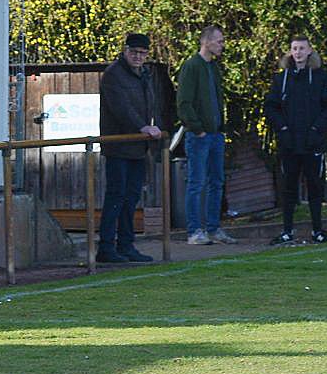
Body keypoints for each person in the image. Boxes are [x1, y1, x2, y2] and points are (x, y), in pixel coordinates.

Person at [96, 32, 162, 263]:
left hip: (137, 146)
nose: (138, 57)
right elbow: (121, 108)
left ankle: (126, 244)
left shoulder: (144, 74)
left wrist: (152, 127)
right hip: (118, 145)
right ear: (125, 51)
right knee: (116, 196)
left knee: (131, 197)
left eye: (142, 53)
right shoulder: (113, 74)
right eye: (134, 52)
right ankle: (106, 247)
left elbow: (150, 105)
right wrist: (142, 127)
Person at [264, 36, 327, 245]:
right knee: (288, 188)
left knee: (315, 187)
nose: (298, 52)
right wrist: (283, 129)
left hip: (313, 143)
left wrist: (316, 129)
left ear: (310, 51)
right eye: (294, 48)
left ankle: (317, 230)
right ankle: (287, 231)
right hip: (289, 144)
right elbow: (271, 107)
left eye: (302, 48)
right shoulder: (282, 79)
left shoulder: (321, 78)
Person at [176, 25, 235, 245]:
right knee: (196, 182)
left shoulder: (213, 67)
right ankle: (194, 231)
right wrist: (197, 128)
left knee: (216, 182)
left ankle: (213, 228)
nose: (222, 45)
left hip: (216, 134)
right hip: (200, 135)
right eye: (219, 41)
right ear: (206, 42)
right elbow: (184, 102)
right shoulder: (192, 66)